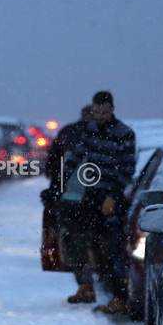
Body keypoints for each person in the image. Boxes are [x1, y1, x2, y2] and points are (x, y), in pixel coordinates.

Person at [69, 91, 136, 314]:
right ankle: (85, 286)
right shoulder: (87, 131)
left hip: (110, 197)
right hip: (87, 195)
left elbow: (126, 169)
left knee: (111, 248)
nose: (100, 115)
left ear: (112, 110)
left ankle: (119, 296)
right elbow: (75, 159)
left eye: (104, 111)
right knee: (80, 241)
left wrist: (113, 196)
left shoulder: (124, 134)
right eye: (96, 111)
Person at [41, 106, 97, 296]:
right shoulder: (101, 136)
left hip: (74, 198)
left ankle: (85, 283)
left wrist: (56, 187)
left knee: (74, 241)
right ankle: (87, 282)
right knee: (83, 242)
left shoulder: (70, 134)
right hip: (85, 199)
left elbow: (52, 165)